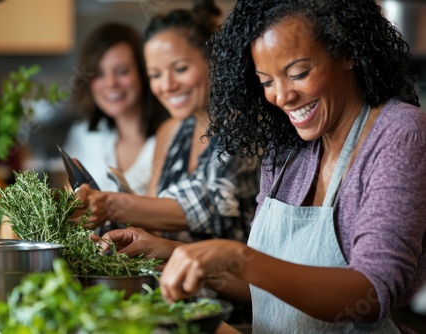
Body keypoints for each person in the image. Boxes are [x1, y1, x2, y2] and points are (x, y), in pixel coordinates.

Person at [97, 0, 426, 332]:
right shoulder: (287, 148)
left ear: (347, 53)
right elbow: (265, 291)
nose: (282, 96)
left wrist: (242, 256)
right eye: (266, 82)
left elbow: (370, 292)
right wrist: (166, 251)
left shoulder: (399, 132)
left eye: (298, 73)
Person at [71, 0, 260, 244]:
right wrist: (113, 227)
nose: (167, 85)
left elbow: (216, 205)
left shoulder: (243, 123)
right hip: (169, 279)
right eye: (156, 75)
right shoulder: (170, 131)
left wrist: (110, 204)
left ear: (213, 59)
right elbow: (154, 225)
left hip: (231, 280)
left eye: (180, 68)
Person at [62, 23, 169, 195]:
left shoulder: (172, 137)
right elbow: (70, 199)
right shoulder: (84, 136)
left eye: (122, 71)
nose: (111, 83)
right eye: (99, 74)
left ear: (143, 72)